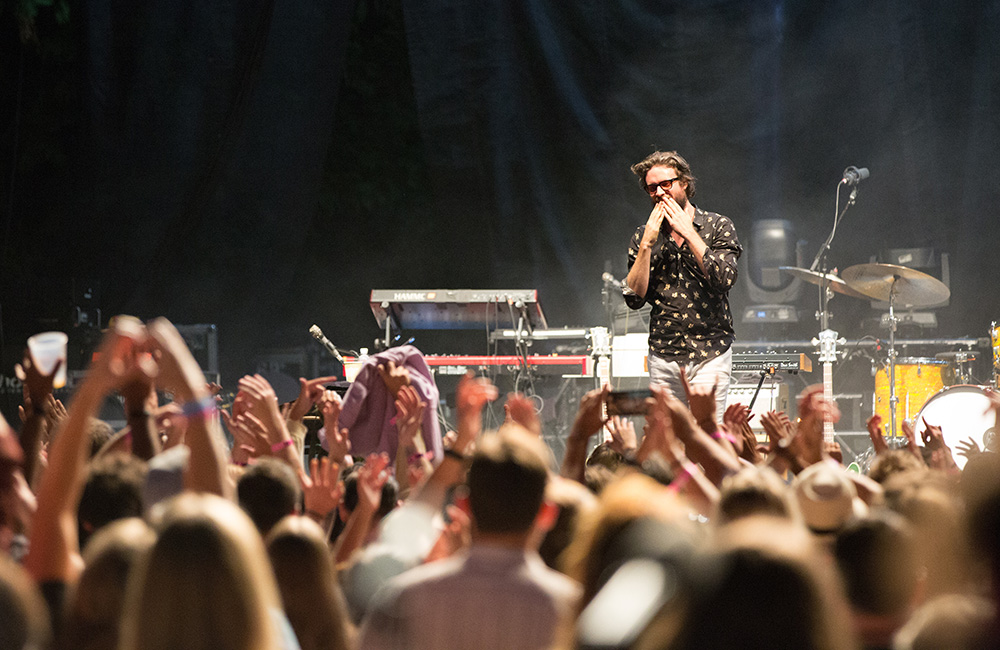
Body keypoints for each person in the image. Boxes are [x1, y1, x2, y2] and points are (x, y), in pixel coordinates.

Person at [624, 150, 742, 423]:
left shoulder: (717, 225)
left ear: (684, 183)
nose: (659, 193)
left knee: (709, 435)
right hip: (664, 353)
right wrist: (647, 245)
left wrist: (688, 231)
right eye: (652, 188)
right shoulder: (643, 235)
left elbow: (724, 279)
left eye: (666, 184)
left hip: (710, 350)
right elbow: (633, 298)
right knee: (668, 440)